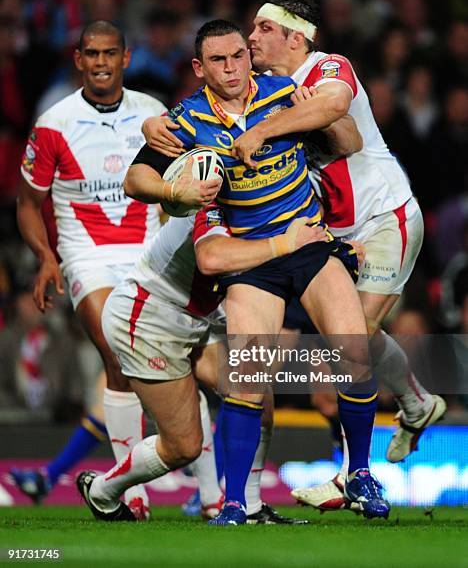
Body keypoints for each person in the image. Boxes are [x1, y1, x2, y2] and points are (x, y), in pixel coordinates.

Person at [143, 0, 445, 512]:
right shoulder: (229, 101)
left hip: (379, 221)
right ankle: (411, 407)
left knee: (349, 349)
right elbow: (154, 157)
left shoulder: (324, 70)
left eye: (262, 30)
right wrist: (154, 136)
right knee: (281, 364)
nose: (251, 39)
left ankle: (358, 470)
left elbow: (335, 116)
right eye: (246, 34)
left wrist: (260, 130)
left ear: (296, 37)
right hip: (312, 234)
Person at [12, 20, 173, 519]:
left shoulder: (155, 113)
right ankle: (135, 491)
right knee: (117, 343)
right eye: (91, 54)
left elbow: (174, 188)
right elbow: (26, 201)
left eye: (110, 53)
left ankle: (213, 496)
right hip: (89, 256)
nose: (101, 62)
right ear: (78, 59)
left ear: (125, 58)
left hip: (151, 254)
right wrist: (46, 256)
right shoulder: (53, 123)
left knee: (177, 365)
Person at [77, 203, 327, 523]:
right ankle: (101, 490)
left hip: (199, 317)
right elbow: (211, 258)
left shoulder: (269, 201)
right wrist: (283, 245)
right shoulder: (213, 194)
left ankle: (249, 507)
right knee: (183, 447)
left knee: (254, 390)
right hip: (150, 319)